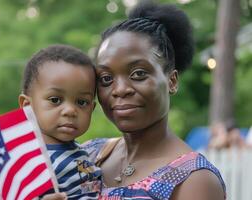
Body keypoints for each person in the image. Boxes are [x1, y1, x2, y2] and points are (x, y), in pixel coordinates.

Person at [44, 1, 226, 200]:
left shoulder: (194, 180)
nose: (120, 89)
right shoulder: (87, 155)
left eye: (138, 74)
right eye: (106, 79)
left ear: (172, 81)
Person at [18, 44, 101, 199]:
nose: (70, 110)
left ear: (92, 107)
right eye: (55, 100)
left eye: (82, 102)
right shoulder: (34, 164)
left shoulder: (80, 150)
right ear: (28, 106)